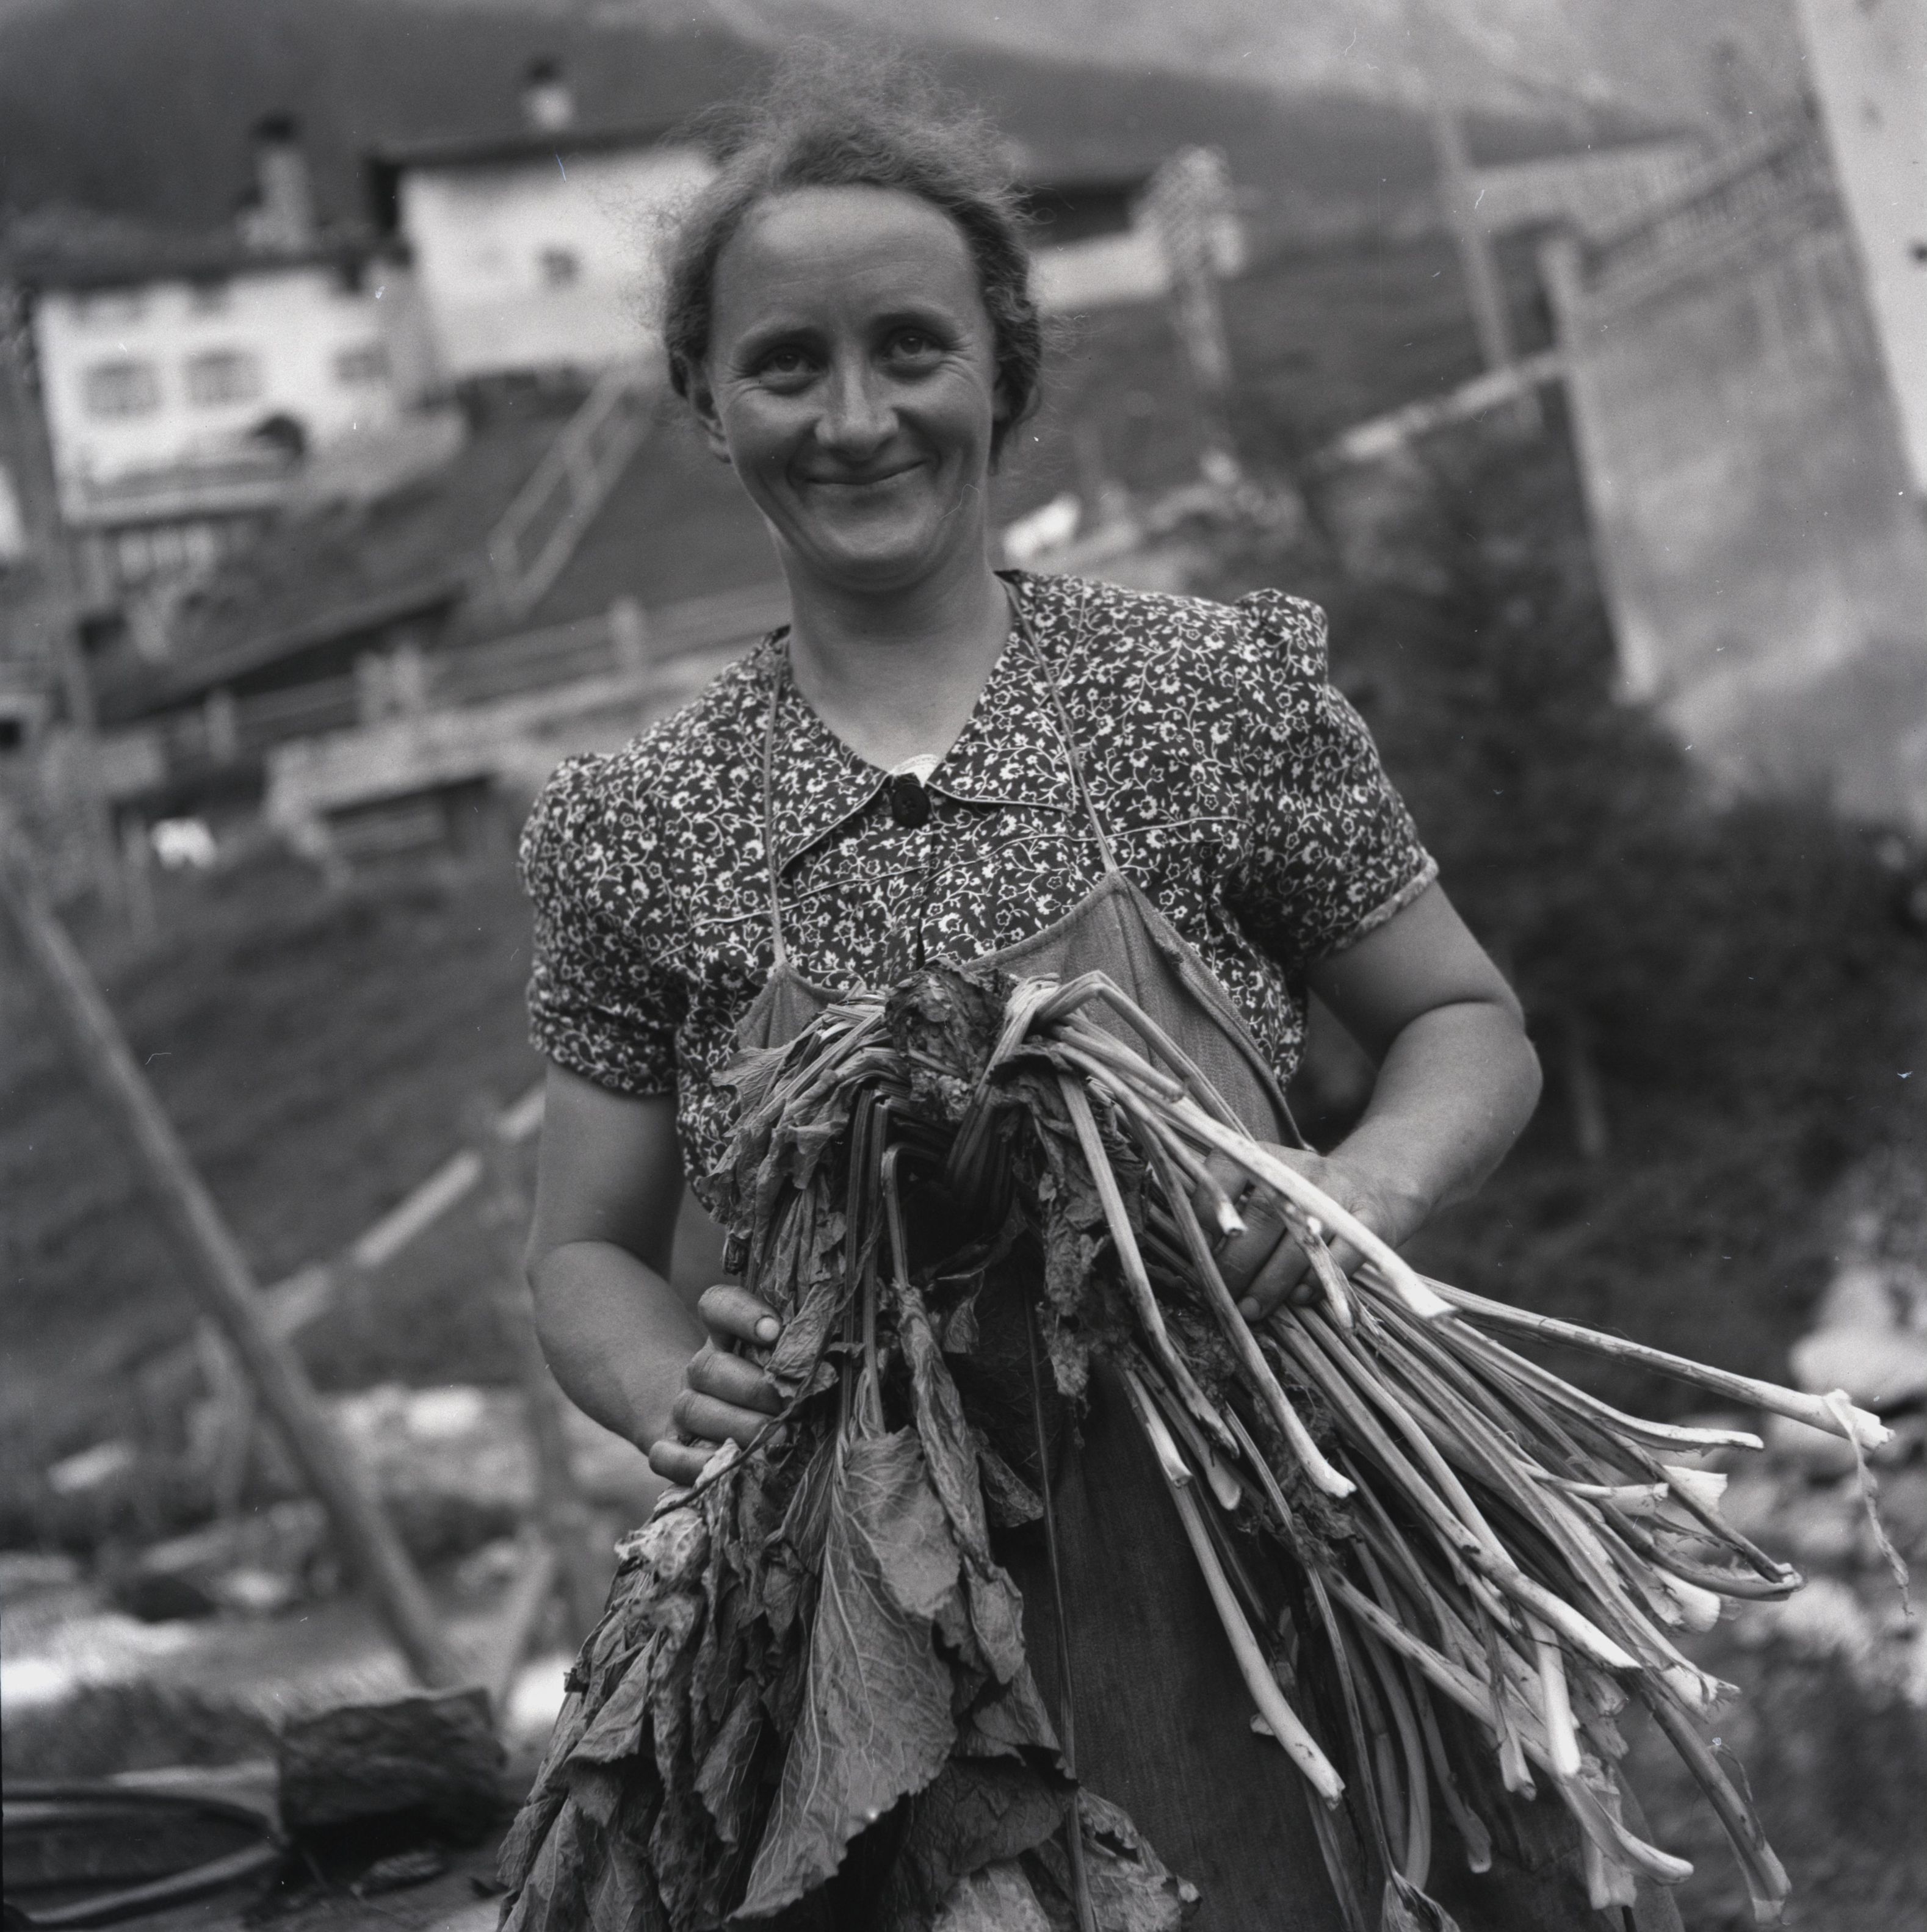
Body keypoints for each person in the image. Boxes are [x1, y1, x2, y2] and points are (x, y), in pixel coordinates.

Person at [505, 56, 1677, 1932]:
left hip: (1283, 1566)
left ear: (1006, 366)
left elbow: (1466, 1030)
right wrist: (670, 1384)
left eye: (911, 348)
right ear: (705, 402)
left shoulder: (1211, 697)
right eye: (787, 365)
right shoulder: (633, 828)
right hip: (855, 1643)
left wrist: (1355, 1196)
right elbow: (584, 1254)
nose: (856, 416)